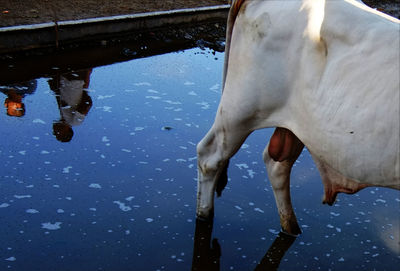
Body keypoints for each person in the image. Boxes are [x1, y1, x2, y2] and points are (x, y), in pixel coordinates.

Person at [48, 69, 93, 142]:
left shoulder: (64, 115)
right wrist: (87, 73)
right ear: (66, 132)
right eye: (58, 134)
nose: (55, 132)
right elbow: (87, 104)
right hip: (75, 78)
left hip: (66, 77)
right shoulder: (75, 122)